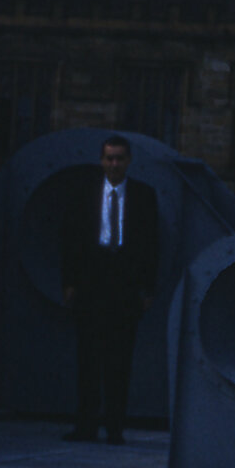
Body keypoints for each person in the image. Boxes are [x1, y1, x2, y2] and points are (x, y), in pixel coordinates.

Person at [60, 133, 163, 443]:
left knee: (119, 360)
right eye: (109, 158)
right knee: (88, 357)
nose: (114, 164)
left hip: (125, 284)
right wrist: (69, 282)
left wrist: (147, 288)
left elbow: (152, 245)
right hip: (91, 281)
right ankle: (86, 424)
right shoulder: (84, 194)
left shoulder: (144, 196)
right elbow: (71, 239)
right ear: (101, 160)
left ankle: (115, 426)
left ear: (129, 161)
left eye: (119, 158)